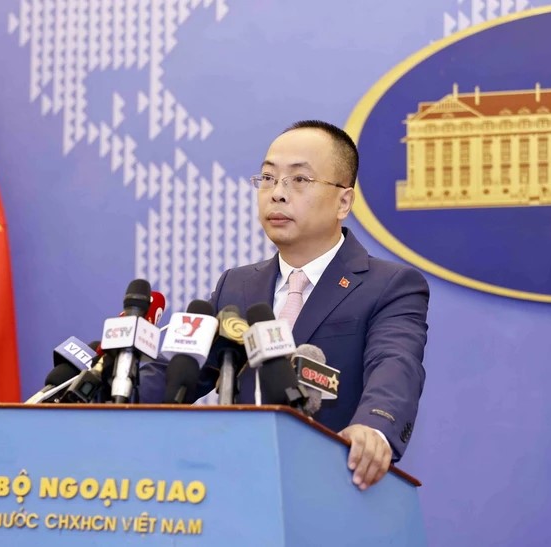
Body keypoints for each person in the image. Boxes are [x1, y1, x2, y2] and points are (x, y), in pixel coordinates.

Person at [142, 120, 429, 490]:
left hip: (333, 487)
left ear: (343, 201)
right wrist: (99, 394)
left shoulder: (389, 286)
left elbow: (395, 365)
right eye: (267, 178)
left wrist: (373, 428)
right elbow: (180, 370)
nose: (277, 193)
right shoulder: (236, 285)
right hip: (236, 486)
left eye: (299, 179)